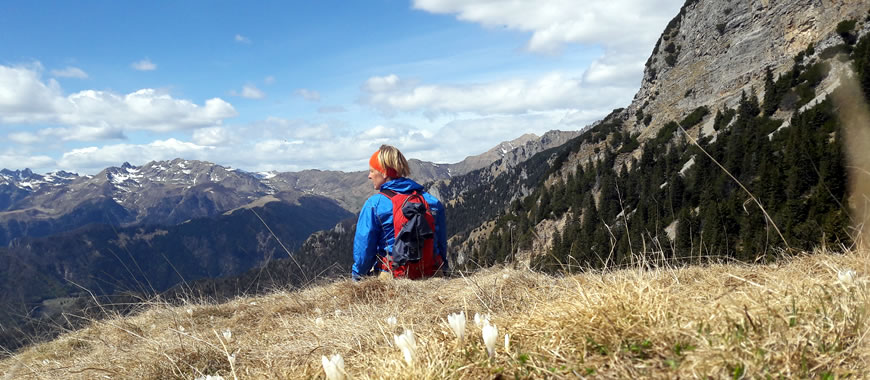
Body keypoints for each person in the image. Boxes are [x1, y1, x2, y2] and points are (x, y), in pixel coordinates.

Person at [352, 145, 448, 280]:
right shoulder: (431, 202)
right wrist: (444, 270)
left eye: (372, 171)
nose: (369, 176)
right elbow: (440, 244)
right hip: (432, 274)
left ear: (384, 173)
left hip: (392, 277)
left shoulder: (374, 205)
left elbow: (364, 252)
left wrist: (357, 277)